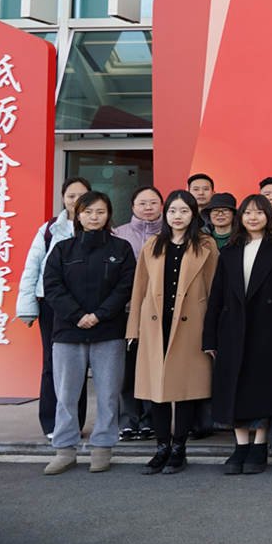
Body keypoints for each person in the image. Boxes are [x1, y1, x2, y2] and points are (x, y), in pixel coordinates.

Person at [41, 191, 136, 475]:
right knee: (66, 395)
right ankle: (64, 450)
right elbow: (53, 287)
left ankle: (103, 448)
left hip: (108, 331)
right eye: (88, 212)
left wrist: (99, 315)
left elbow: (126, 287)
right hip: (68, 333)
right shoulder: (62, 249)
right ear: (78, 215)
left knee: (108, 394)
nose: (94, 217)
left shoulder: (121, 248)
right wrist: (78, 316)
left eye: (100, 212)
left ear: (108, 215)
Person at [203, 194, 272, 475]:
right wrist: (210, 338)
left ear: (269, 216)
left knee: (262, 387)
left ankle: (259, 445)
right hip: (232, 329)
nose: (253, 218)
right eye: (247, 213)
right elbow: (217, 297)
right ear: (240, 217)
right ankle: (241, 445)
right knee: (233, 386)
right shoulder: (230, 251)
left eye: (259, 212)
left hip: (268, 329)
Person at [127, 190, 219, 476]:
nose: (177, 216)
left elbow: (214, 291)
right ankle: (162, 447)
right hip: (156, 325)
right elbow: (139, 288)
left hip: (192, 326)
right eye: (172, 211)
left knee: (186, 390)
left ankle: (179, 448)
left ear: (193, 214)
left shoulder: (206, 244)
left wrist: (213, 333)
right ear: (165, 214)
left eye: (184, 211)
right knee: (158, 390)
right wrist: (133, 330)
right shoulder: (153, 244)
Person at [16, 176, 92, 440]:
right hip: (52, 303)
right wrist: (27, 308)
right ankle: (51, 422)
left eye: (82, 195)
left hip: (85, 305)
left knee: (79, 364)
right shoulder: (49, 229)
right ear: (63, 198)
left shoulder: (98, 225)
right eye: (71, 196)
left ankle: (75, 422)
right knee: (52, 363)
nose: (76, 201)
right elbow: (32, 266)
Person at [114, 185, 163, 442]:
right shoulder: (118, 234)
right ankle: (127, 421)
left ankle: (150, 421)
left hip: (159, 313)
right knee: (127, 369)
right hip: (126, 311)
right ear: (133, 207)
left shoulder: (171, 234)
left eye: (153, 202)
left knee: (154, 367)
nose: (148, 207)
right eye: (142, 203)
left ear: (162, 206)